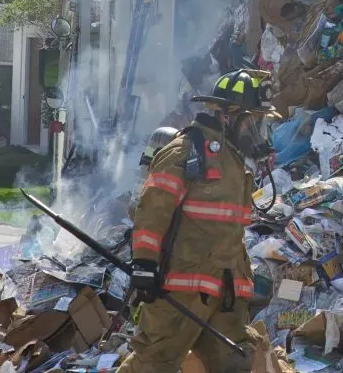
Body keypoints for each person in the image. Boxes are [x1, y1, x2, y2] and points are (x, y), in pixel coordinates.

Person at [117, 69, 274, 373]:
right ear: (228, 116)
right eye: (255, 122)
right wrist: (145, 265)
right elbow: (152, 212)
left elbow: (231, 232)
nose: (260, 132)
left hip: (225, 294)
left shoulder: (235, 162)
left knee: (235, 364)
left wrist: (242, 283)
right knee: (154, 364)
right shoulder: (185, 152)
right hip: (180, 290)